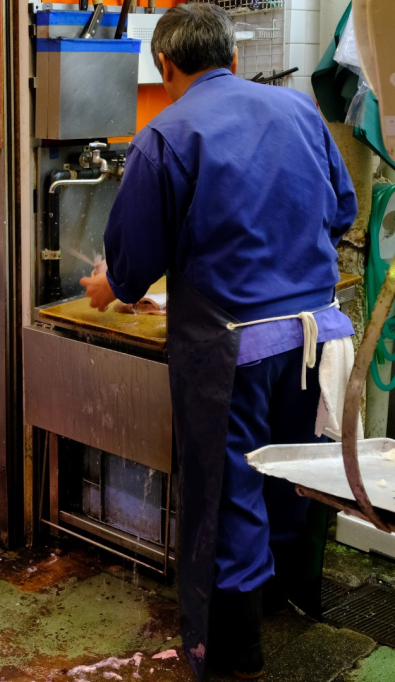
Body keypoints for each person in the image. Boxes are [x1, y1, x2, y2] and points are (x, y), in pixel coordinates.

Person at [79, 5, 357, 680]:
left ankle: (237, 657)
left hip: (237, 351)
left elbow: (132, 263)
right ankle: (291, 606)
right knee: (300, 479)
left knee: (231, 494)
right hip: (322, 340)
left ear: (164, 66)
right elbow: (342, 211)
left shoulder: (165, 133)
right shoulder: (299, 110)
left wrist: (108, 285)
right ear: (233, 58)